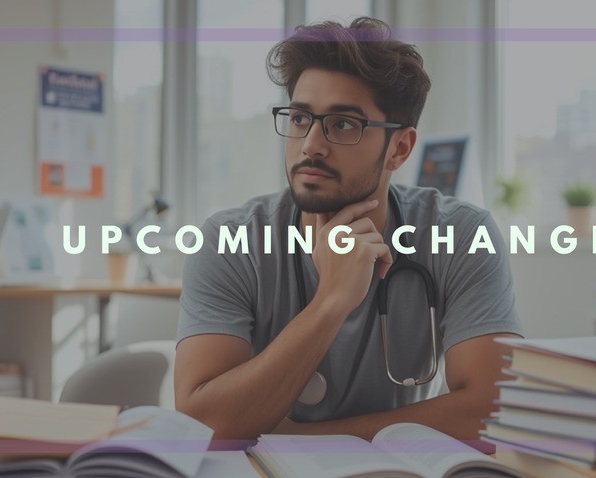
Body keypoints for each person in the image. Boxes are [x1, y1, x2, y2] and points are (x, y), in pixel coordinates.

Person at [174, 17, 523, 444]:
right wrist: (330, 303)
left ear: (399, 148)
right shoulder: (229, 240)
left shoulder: (464, 234)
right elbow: (201, 424)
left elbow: (494, 409)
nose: (311, 145)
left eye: (342, 124)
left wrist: (307, 437)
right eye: (300, 118)